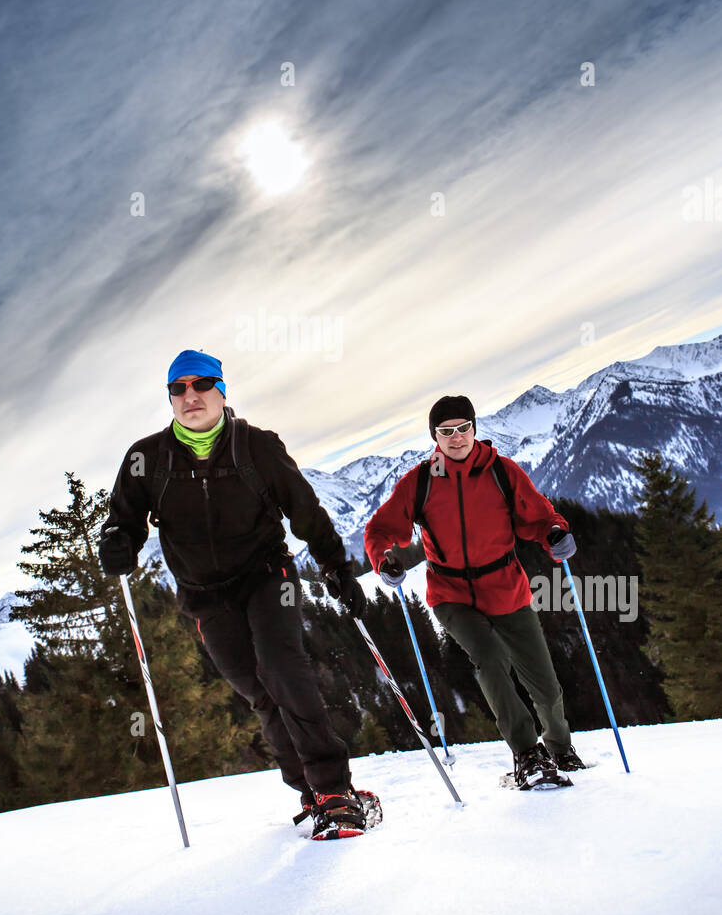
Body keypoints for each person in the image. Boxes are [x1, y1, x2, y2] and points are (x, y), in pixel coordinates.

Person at [98, 348, 379, 837]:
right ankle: (310, 791)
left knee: (284, 670)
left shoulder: (257, 446)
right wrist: (117, 543)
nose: (190, 396)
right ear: (169, 399)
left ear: (222, 391)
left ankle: (334, 788)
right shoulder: (146, 458)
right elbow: (123, 521)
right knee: (260, 693)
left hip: (269, 576)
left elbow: (305, 509)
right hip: (204, 594)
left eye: (201, 384)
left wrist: (337, 566)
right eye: (178, 388)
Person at [364, 394, 586, 789]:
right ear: (435, 437)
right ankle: (526, 752)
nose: (456, 438)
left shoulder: (502, 472)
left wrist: (557, 533)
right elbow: (379, 530)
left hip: (506, 587)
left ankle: (559, 746)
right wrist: (384, 560)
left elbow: (538, 517)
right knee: (490, 660)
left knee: (545, 684)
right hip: (451, 593)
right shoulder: (420, 482)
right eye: (446, 432)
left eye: (463, 428)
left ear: (474, 429)